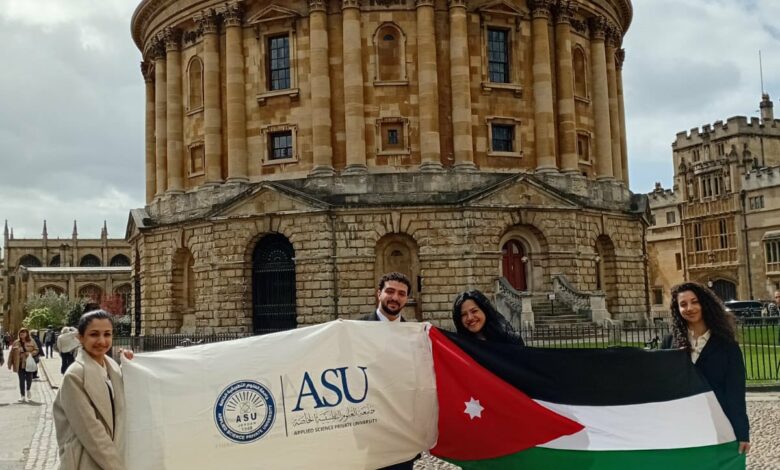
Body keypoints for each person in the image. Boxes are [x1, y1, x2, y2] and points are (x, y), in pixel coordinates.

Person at [661, 282, 750, 454]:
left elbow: (735, 392)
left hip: (716, 421)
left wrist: (742, 432)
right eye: (683, 304)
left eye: (695, 302)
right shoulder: (669, 342)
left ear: (705, 304)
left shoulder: (727, 345)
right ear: (677, 309)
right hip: (680, 423)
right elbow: (662, 384)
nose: (689, 308)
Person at [53, 310, 130, 470]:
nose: (101, 341)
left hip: (113, 455)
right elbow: (91, 433)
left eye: (107, 334)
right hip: (86, 461)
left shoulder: (113, 367)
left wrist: (131, 366)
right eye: (94, 334)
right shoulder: (75, 376)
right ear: (80, 338)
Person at [359, 272, 418, 470]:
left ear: (407, 298)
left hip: (400, 432)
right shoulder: (356, 330)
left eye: (401, 294)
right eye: (390, 291)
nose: (395, 297)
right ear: (379, 293)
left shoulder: (414, 336)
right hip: (366, 430)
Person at [452, 289, 525, 345]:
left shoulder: (511, 340)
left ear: (484, 310)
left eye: (474, 311)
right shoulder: (460, 346)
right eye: (463, 314)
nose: (470, 318)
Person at [7, 328, 39, 402]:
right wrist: (9, 363)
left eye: (23, 333)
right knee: (21, 380)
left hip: (28, 363)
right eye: (21, 333)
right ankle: (22, 396)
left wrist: (29, 353)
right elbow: (11, 353)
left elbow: (37, 349)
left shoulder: (31, 341)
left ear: (27, 334)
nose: (22, 334)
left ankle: (28, 390)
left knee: (29, 379)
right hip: (19, 363)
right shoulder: (16, 342)